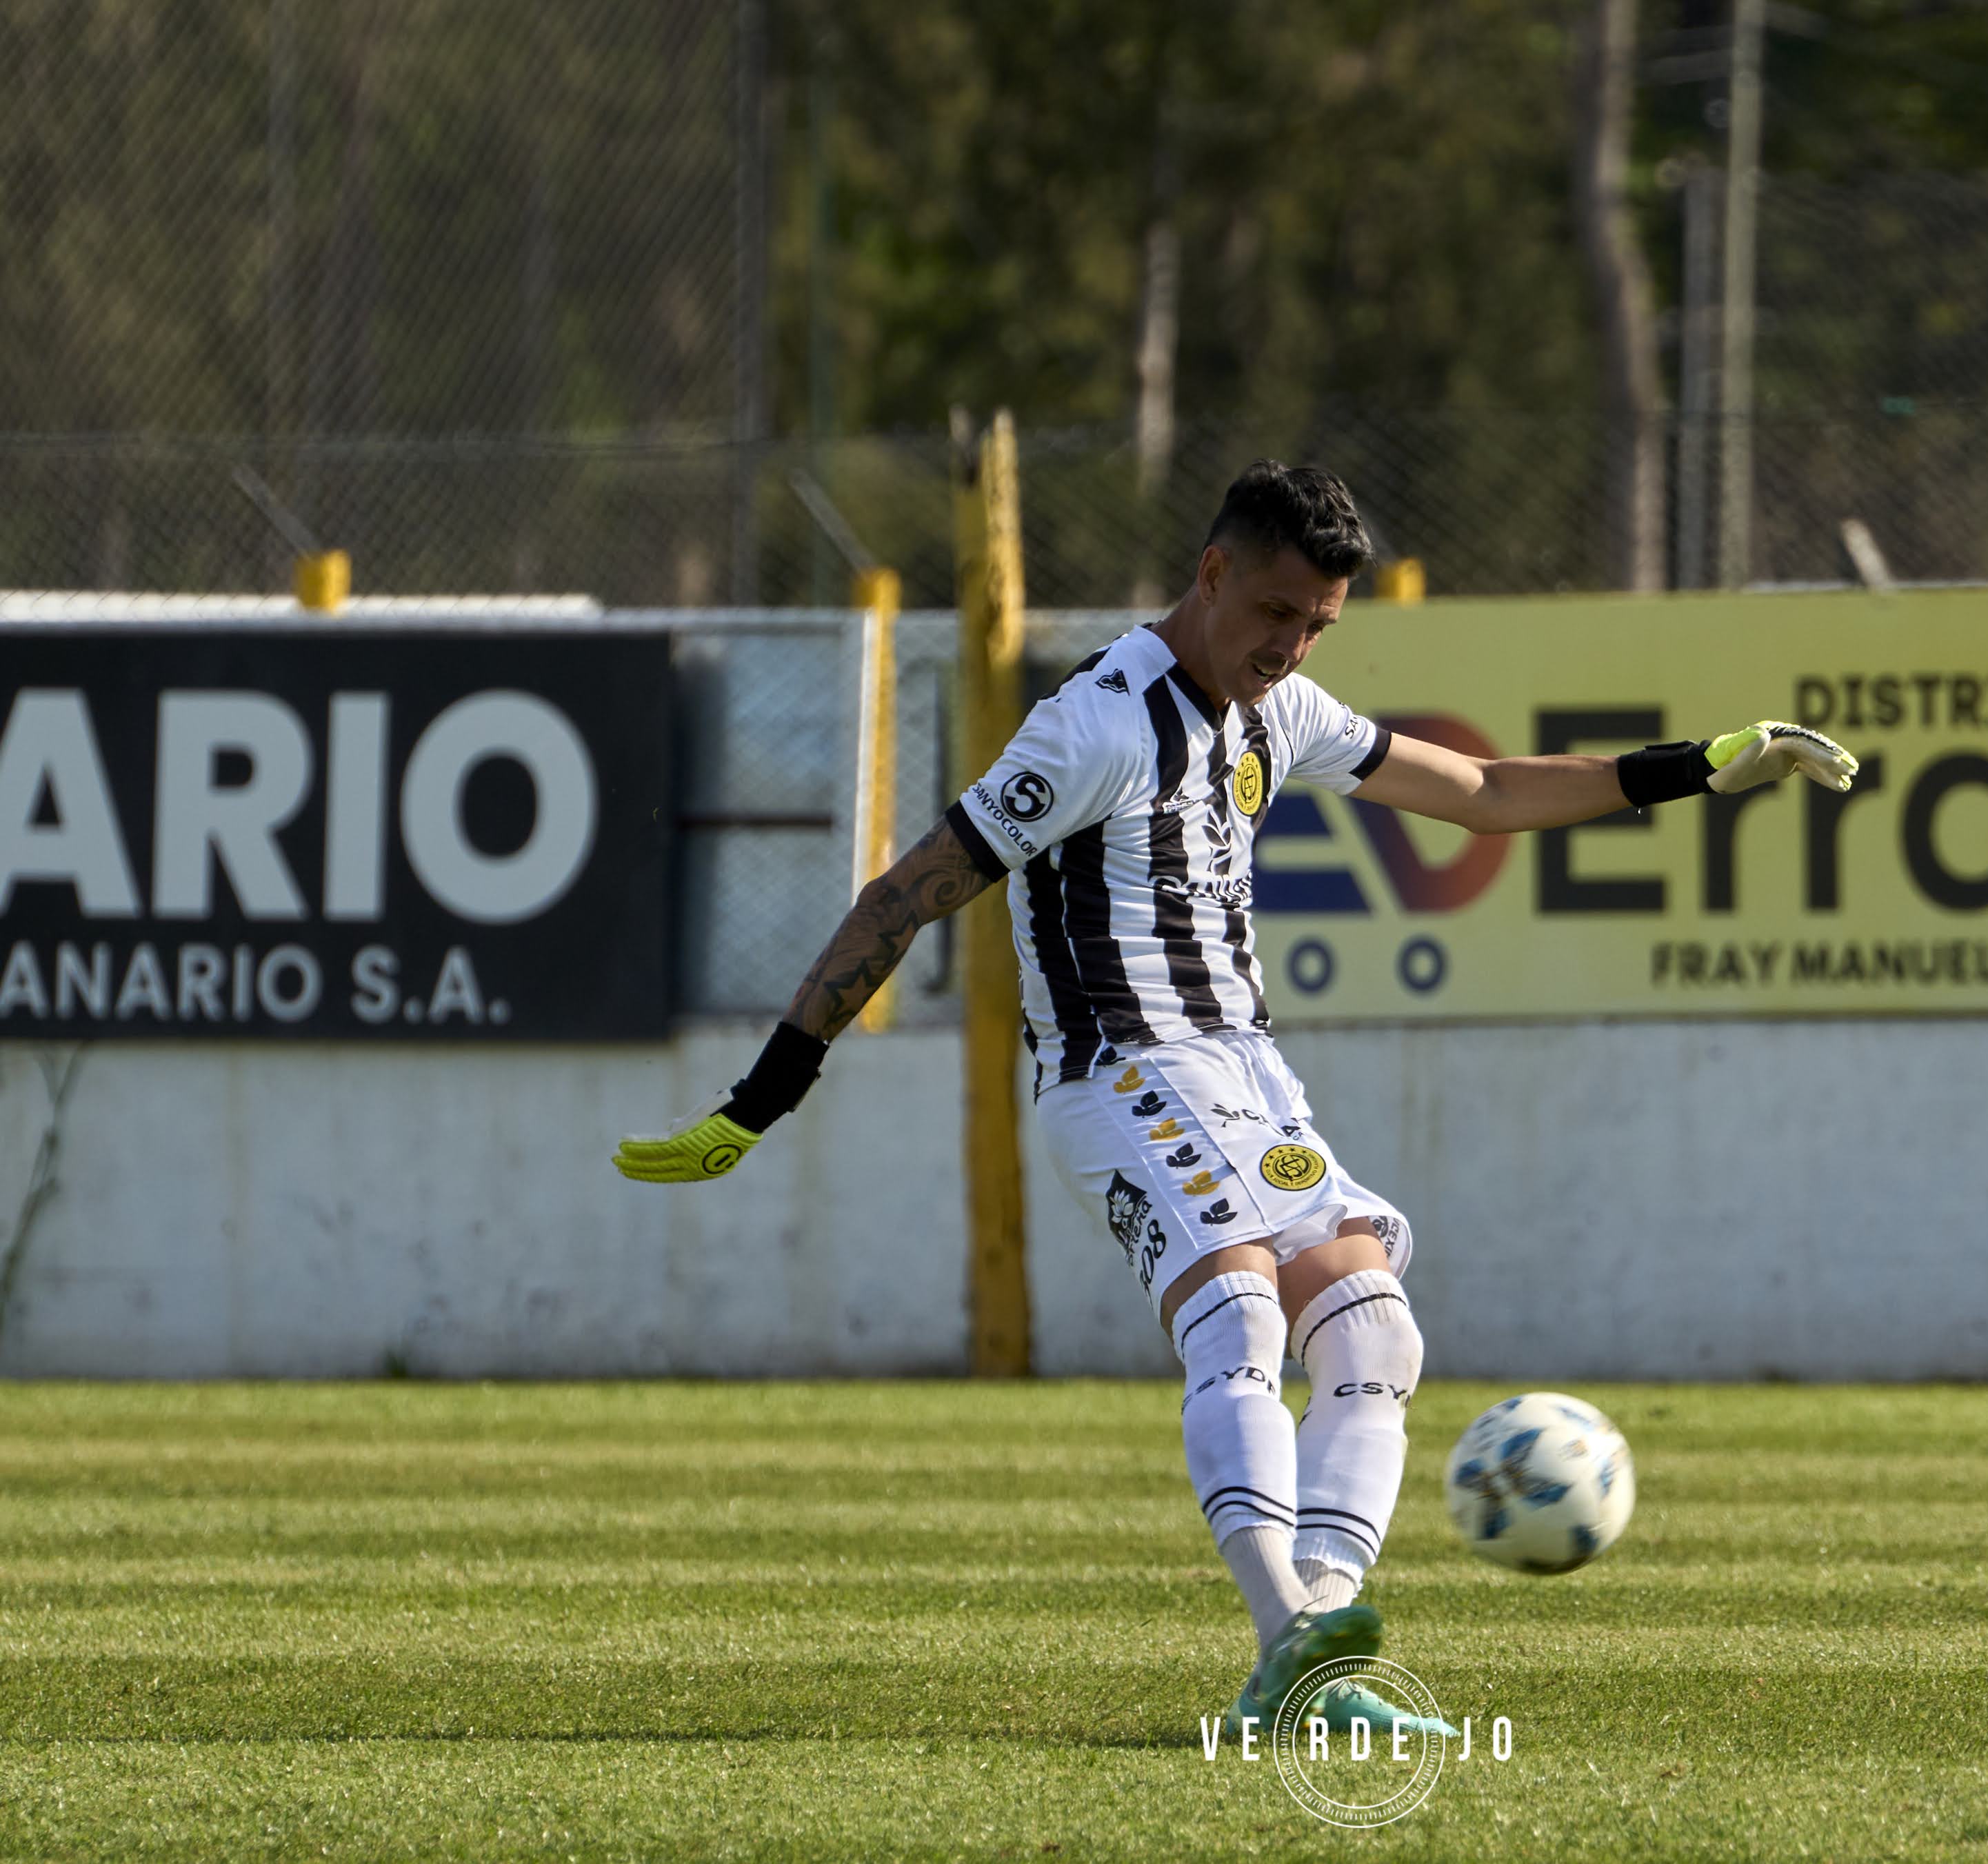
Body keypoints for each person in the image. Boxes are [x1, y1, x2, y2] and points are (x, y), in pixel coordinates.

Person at [614, 461, 1856, 1736]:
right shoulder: (1092, 727)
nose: (1292, 644)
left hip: (1248, 1077)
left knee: (1375, 1331)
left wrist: (1700, 767)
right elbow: (903, 896)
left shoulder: (1279, 710)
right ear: (1210, 573)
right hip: (1126, 1074)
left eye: (1317, 623)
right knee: (1242, 1313)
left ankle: (1320, 1637)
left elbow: (1479, 796)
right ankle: (1292, 1645)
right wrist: (764, 1096)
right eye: (1276, 612)